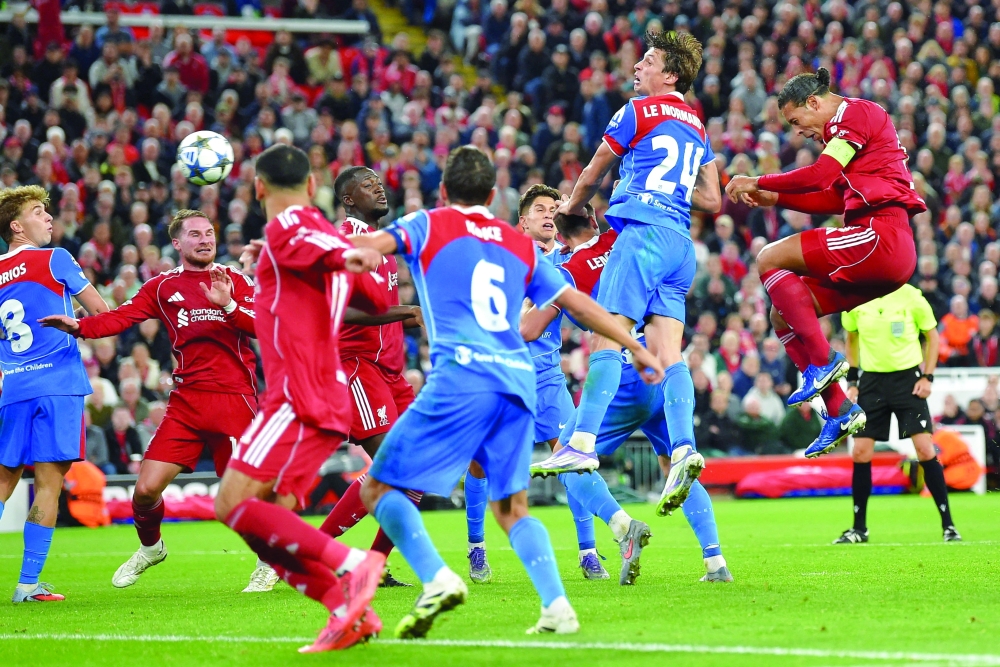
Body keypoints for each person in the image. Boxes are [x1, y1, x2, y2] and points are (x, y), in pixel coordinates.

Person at [350, 146, 663, 638]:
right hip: (516, 383)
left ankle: (437, 578)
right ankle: (557, 606)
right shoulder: (516, 246)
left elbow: (365, 249)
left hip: (461, 377)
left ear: (445, 191)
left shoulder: (427, 223)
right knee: (512, 508)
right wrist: (635, 347)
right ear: (494, 195)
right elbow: (576, 304)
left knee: (376, 488)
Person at [533, 30, 721, 523]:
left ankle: (581, 441)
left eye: (649, 60)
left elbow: (595, 168)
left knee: (607, 335)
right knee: (669, 352)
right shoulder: (697, 125)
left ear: (670, 74)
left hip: (641, 235)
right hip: (681, 245)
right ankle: (684, 449)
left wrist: (571, 207)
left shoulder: (636, 111)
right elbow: (712, 200)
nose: (638, 67)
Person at [215, 144, 389, 653]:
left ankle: (355, 565)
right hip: (326, 392)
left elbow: (316, 246)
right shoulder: (307, 236)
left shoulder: (288, 227)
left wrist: (340, 254)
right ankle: (348, 616)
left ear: (258, 188)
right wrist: (342, 258)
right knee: (270, 523)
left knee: (231, 504)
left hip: (296, 394)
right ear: (313, 186)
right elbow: (376, 298)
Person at [41, 209, 265, 592]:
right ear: (177, 243)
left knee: (239, 500)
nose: (205, 239)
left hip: (234, 400)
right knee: (144, 491)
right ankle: (152, 548)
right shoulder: (162, 287)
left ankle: (267, 560)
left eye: (209, 233)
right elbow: (121, 317)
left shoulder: (236, 280)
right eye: (195, 234)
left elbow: (264, 326)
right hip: (187, 402)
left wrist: (228, 304)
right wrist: (81, 327)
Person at [725, 67, 926, 459]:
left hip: (880, 235)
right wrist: (776, 199)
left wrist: (760, 181)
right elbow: (833, 198)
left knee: (768, 257)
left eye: (797, 121)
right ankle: (839, 409)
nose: (799, 131)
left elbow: (820, 176)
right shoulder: (847, 133)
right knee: (781, 315)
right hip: (884, 249)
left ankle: (824, 362)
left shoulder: (855, 114)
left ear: (814, 102)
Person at [524, 209, 733, 584]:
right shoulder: (628, 239)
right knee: (675, 466)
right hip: (660, 365)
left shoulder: (567, 271)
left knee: (568, 462)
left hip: (618, 372)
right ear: (594, 219)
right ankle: (715, 562)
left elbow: (529, 328)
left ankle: (623, 527)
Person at [465, 188, 612, 585]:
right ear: (523, 222)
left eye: (553, 209)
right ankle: (476, 548)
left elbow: (600, 243)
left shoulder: (570, 261)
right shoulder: (499, 258)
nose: (548, 215)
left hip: (547, 377)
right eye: (539, 210)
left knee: (574, 458)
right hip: (502, 376)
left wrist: (578, 211)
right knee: (481, 463)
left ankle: (588, 553)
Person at [0, 185, 110, 603]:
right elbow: (101, 313)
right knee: (48, 486)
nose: (48, 217)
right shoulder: (56, 258)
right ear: (16, 225)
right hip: (58, 386)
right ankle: (27, 585)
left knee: (2, 481)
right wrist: (78, 318)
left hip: (14, 387)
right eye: (37, 211)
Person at [317, 166, 423, 588]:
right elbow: (342, 308)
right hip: (357, 364)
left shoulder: (385, 247)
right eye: (366, 185)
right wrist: (409, 313)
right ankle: (316, 551)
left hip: (391, 372)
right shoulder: (346, 241)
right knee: (394, 465)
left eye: (380, 182)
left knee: (417, 469)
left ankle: (373, 566)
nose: (378, 187)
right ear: (347, 199)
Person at [838, 284, 961, 543]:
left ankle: (948, 525)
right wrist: (852, 381)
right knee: (860, 451)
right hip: (871, 382)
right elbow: (851, 338)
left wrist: (927, 376)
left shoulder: (912, 296)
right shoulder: (856, 298)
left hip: (907, 380)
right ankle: (859, 529)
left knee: (925, 449)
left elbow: (932, 337)